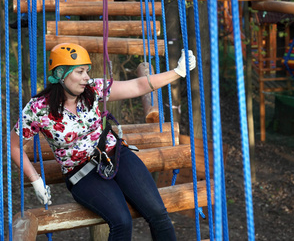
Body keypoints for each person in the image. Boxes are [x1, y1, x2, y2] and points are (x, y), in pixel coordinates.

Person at [10, 43, 196, 240]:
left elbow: (137, 85)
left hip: (114, 155)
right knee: (122, 222)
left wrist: (178, 72)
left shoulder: (92, 90)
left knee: (158, 213)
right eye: (80, 71)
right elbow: (14, 145)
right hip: (81, 173)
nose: (86, 77)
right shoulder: (39, 108)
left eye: (87, 71)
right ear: (60, 74)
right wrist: (36, 180)